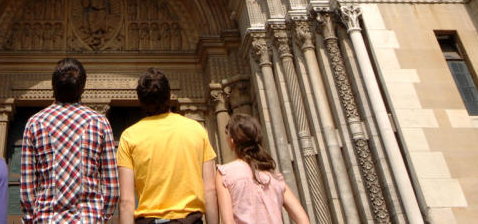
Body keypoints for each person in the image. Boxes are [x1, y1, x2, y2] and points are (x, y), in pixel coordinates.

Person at [20, 57, 119, 222]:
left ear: (53, 86)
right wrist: (101, 217)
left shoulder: (35, 123)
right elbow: (112, 186)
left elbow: (27, 187)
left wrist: (31, 217)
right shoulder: (99, 122)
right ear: (82, 87)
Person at [117, 68, 218, 224]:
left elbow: (126, 201)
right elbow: (210, 190)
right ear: (169, 95)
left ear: (141, 101)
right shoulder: (196, 129)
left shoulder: (129, 136)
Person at [215, 114, 311, 224]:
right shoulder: (274, 177)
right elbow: (303, 220)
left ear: (232, 141)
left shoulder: (225, 173)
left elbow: (228, 222)